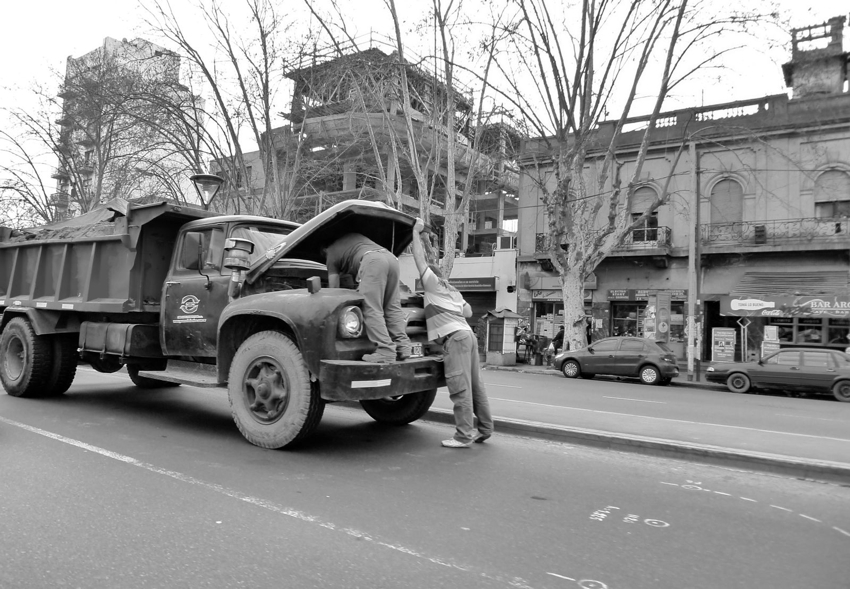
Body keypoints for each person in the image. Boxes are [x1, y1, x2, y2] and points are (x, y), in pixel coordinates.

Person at [411, 218, 493, 448]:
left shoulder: (433, 285)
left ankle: (464, 435)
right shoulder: (452, 290)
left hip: (455, 340)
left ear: (431, 278)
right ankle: (485, 429)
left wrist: (415, 233)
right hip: (468, 336)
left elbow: (420, 259)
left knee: (460, 388)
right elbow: (467, 312)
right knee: (476, 386)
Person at [322, 233, 412, 363]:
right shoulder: (350, 241)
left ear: (324, 249)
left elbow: (334, 289)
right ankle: (403, 346)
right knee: (392, 306)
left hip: (373, 261)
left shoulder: (330, 252)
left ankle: (385, 351)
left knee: (370, 307)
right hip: (391, 259)